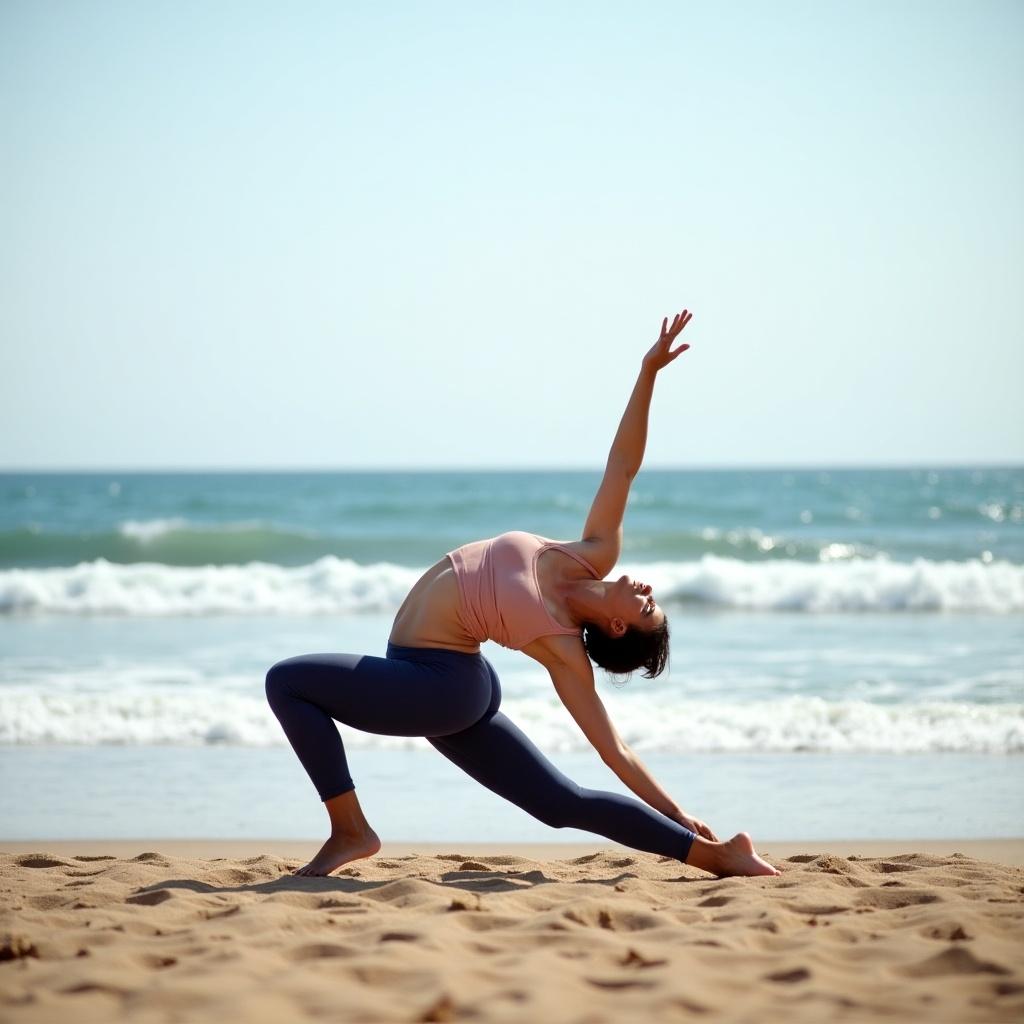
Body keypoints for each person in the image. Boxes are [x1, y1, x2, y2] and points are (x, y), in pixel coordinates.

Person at [265, 309, 780, 879]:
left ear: (616, 628)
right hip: (450, 679)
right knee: (560, 805)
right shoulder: (593, 551)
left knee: (287, 681)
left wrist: (677, 810)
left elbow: (614, 750)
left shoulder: (561, 645)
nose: (648, 589)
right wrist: (648, 373)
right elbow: (622, 469)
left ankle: (351, 831)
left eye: (647, 608)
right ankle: (721, 858)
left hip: (440, 684)